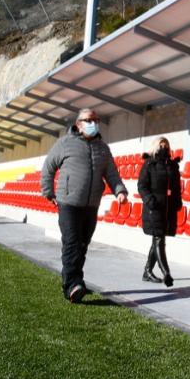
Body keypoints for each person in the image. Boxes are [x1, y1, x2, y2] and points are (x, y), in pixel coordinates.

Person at [41, 108, 128, 303]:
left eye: (96, 120)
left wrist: (120, 191)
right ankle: (72, 286)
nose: (93, 123)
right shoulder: (65, 143)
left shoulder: (103, 148)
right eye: (89, 120)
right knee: (72, 243)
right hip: (69, 203)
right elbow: (48, 167)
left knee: (82, 244)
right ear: (78, 124)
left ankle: (75, 280)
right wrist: (48, 192)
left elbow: (112, 174)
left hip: (91, 204)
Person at [136, 136, 182, 287]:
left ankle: (147, 272)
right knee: (159, 239)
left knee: (158, 239)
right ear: (155, 147)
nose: (164, 147)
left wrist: (177, 202)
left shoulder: (173, 165)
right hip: (154, 208)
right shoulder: (149, 164)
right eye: (161, 145)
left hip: (168, 209)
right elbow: (142, 186)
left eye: (166, 145)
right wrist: (150, 201)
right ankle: (166, 272)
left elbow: (176, 188)